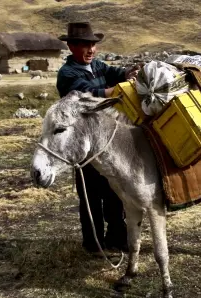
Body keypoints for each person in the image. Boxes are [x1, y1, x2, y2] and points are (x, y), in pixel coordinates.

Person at [57, 22, 140, 254]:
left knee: (114, 188)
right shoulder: (67, 73)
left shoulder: (97, 65)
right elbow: (87, 93)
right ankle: (93, 243)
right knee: (90, 194)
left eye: (93, 45)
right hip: (84, 143)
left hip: (105, 140)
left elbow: (115, 73)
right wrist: (119, 90)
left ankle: (116, 236)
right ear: (72, 46)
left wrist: (127, 74)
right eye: (85, 45)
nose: (90, 50)